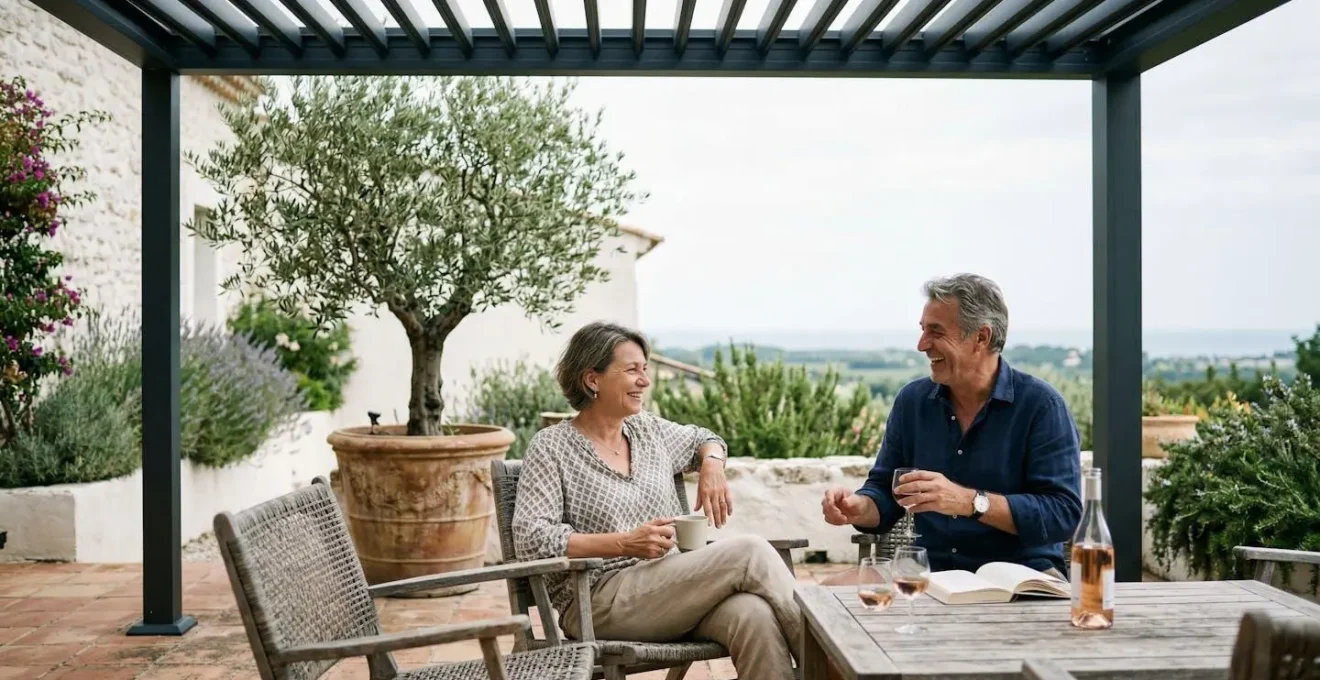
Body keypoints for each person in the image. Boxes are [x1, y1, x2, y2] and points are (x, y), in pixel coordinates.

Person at [513, 321, 801, 680]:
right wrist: (624, 543)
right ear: (592, 379)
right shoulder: (551, 447)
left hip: (669, 588)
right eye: (632, 370)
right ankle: (832, 665)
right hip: (596, 600)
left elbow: (704, 438)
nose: (645, 381)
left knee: (753, 615)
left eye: (645, 370)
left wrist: (712, 464)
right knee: (751, 552)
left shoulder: (647, 430)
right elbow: (531, 538)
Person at [822, 274, 1082, 578]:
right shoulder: (912, 402)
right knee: (825, 596)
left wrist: (969, 502)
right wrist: (859, 506)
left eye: (936, 331)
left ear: (981, 338)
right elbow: (884, 491)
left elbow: (1063, 514)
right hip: (927, 573)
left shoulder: (1042, 406)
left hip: (1021, 578)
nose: (922, 344)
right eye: (923, 330)